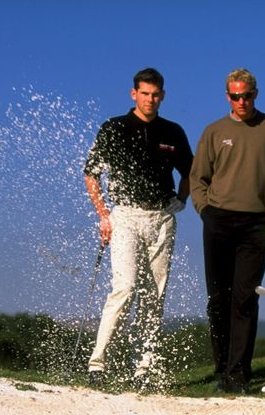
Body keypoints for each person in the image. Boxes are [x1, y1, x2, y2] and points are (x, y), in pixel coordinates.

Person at [82, 67, 194, 392]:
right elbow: (91, 174)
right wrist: (104, 216)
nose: (150, 99)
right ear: (134, 94)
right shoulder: (114, 128)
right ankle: (97, 364)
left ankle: (143, 369)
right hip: (125, 216)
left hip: (162, 217)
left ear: (163, 95)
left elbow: (190, 171)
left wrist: (181, 201)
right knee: (125, 288)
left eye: (156, 94)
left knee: (154, 296)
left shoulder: (172, 132)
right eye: (144, 94)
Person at [189, 68, 265, 394]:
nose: (241, 101)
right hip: (218, 219)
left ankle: (239, 374)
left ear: (255, 94)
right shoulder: (214, 131)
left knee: (245, 299)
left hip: (256, 223)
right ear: (227, 96)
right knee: (219, 300)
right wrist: (205, 211)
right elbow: (198, 178)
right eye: (235, 96)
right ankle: (222, 371)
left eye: (246, 95)